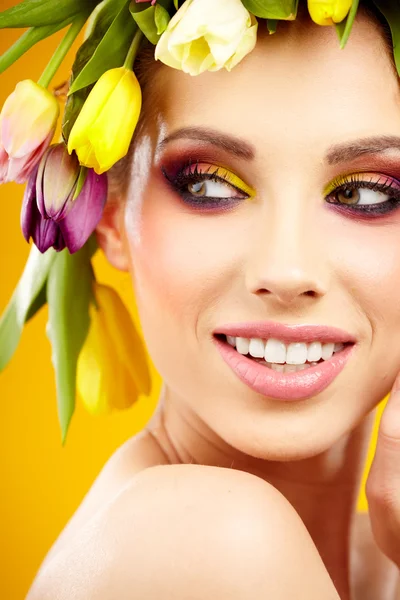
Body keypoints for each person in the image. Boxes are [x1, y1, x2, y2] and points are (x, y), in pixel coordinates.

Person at [1, 0, 399, 598]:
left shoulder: (382, 559)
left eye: (366, 195)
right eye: (209, 184)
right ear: (109, 217)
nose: (285, 270)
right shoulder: (213, 542)